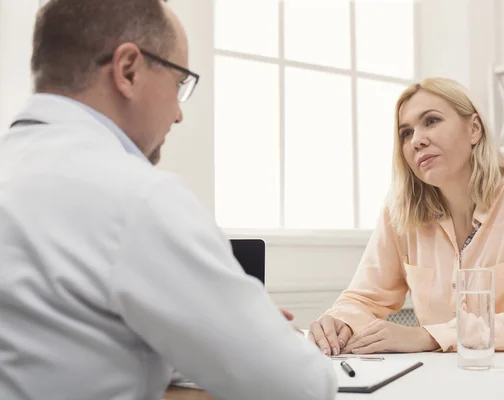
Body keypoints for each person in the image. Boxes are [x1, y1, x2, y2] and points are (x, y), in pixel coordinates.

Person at [0, 1, 337, 400]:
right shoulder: (135, 197)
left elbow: (56, 349)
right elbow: (301, 387)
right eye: (179, 83)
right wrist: (262, 334)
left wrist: (193, 336)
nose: (178, 114)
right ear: (128, 70)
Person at [309, 77, 504, 356]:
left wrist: (429, 336)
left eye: (431, 121)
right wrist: (339, 322)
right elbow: (365, 297)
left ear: (474, 129)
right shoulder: (400, 210)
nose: (417, 140)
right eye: (406, 133)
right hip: (438, 377)